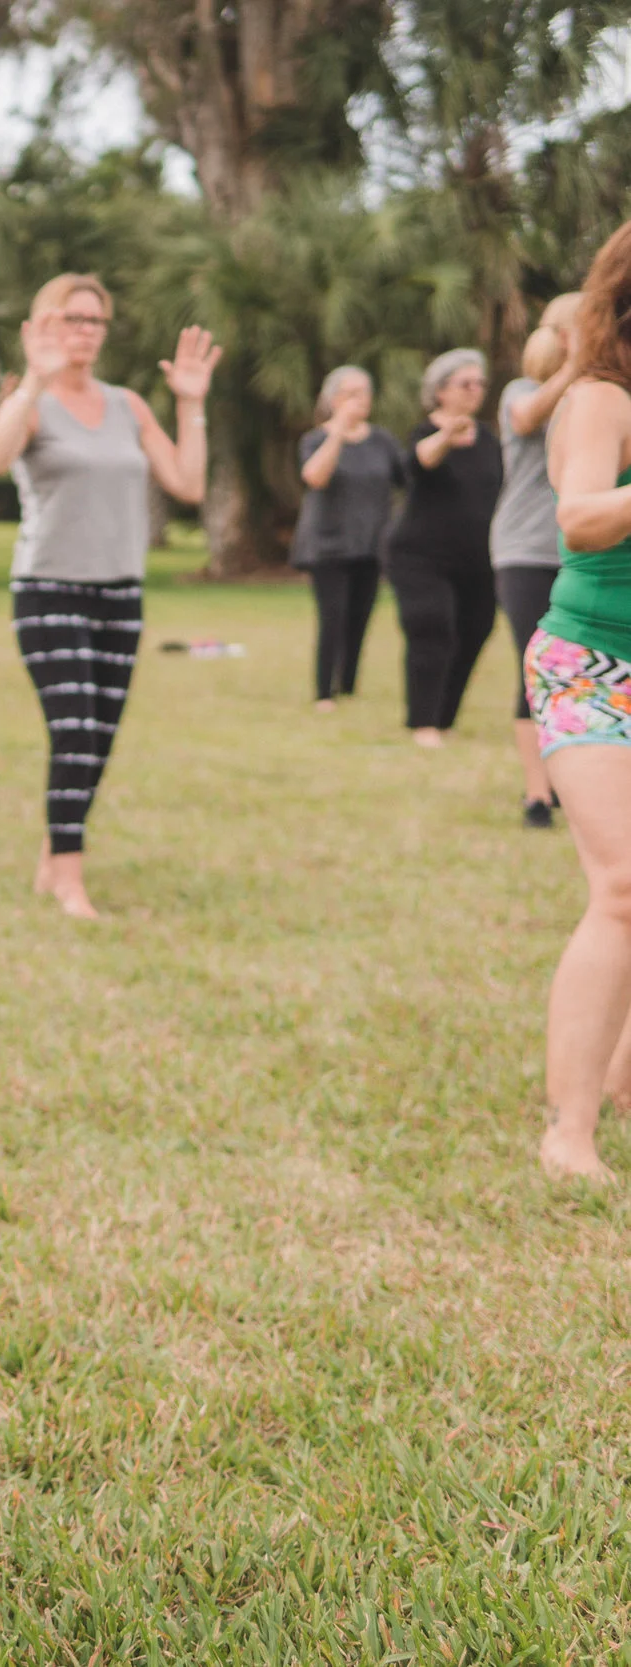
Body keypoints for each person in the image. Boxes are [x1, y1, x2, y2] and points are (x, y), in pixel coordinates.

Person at [0, 274, 219, 919]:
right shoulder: (30, 402)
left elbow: (188, 482)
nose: (84, 331)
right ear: (42, 325)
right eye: (70, 318)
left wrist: (191, 403)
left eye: (94, 321)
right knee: (76, 730)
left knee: (98, 738)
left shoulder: (128, 405)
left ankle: (55, 855)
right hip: (49, 587)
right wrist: (31, 380)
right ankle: (70, 880)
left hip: (120, 592)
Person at [526, 219, 631, 1183]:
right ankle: (569, 1130)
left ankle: (621, 1073)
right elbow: (582, 516)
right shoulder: (601, 398)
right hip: (589, 664)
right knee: (622, 885)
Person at [386, 349, 503, 749]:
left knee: (476, 630)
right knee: (432, 628)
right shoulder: (426, 434)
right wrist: (447, 436)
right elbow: (418, 464)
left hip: (478, 558)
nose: (475, 391)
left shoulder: (488, 439)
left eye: (480, 383)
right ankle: (423, 723)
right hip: (420, 556)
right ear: (440, 391)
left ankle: (446, 717)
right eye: (465, 383)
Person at [493, 297, 581, 826]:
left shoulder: (596, 398)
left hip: (578, 551)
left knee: (570, 669)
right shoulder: (521, 393)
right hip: (524, 549)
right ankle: (537, 794)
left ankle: (569, 783)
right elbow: (528, 419)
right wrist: (577, 361)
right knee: (533, 667)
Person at [292, 365, 405, 709]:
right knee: (333, 617)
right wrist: (338, 431)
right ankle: (324, 692)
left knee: (360, 617)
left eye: (364, 393)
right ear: (333, 399)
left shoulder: (382, 440)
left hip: (371, 542)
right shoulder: (316, 439)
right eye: (351, 393)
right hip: (328, 545)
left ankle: (349, 686)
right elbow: (314, 477)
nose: (359, 401)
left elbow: (405, 480)